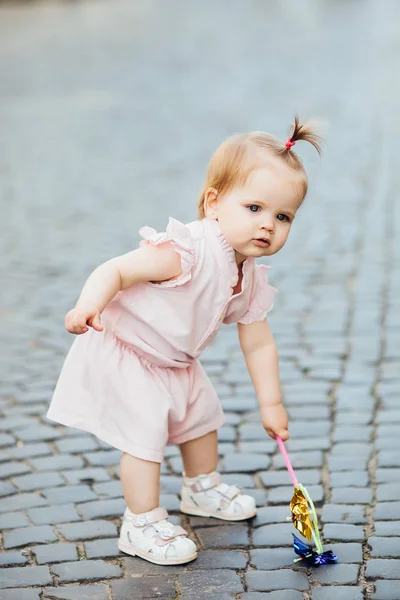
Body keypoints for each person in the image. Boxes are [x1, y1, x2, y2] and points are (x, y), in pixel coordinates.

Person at [47, 116, 322, 566]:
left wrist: (271, 403)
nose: (267, 225)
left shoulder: (247, 275)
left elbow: (258, 342)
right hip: (133, 353)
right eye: (254, 208)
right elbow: (116, 269)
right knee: (145, 434)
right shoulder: (187, 250)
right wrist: (88, 306)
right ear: (213, 203)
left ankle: (201, 486)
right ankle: (141, 521)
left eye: (282, 216)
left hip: (177, 361)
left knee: (202, 418)